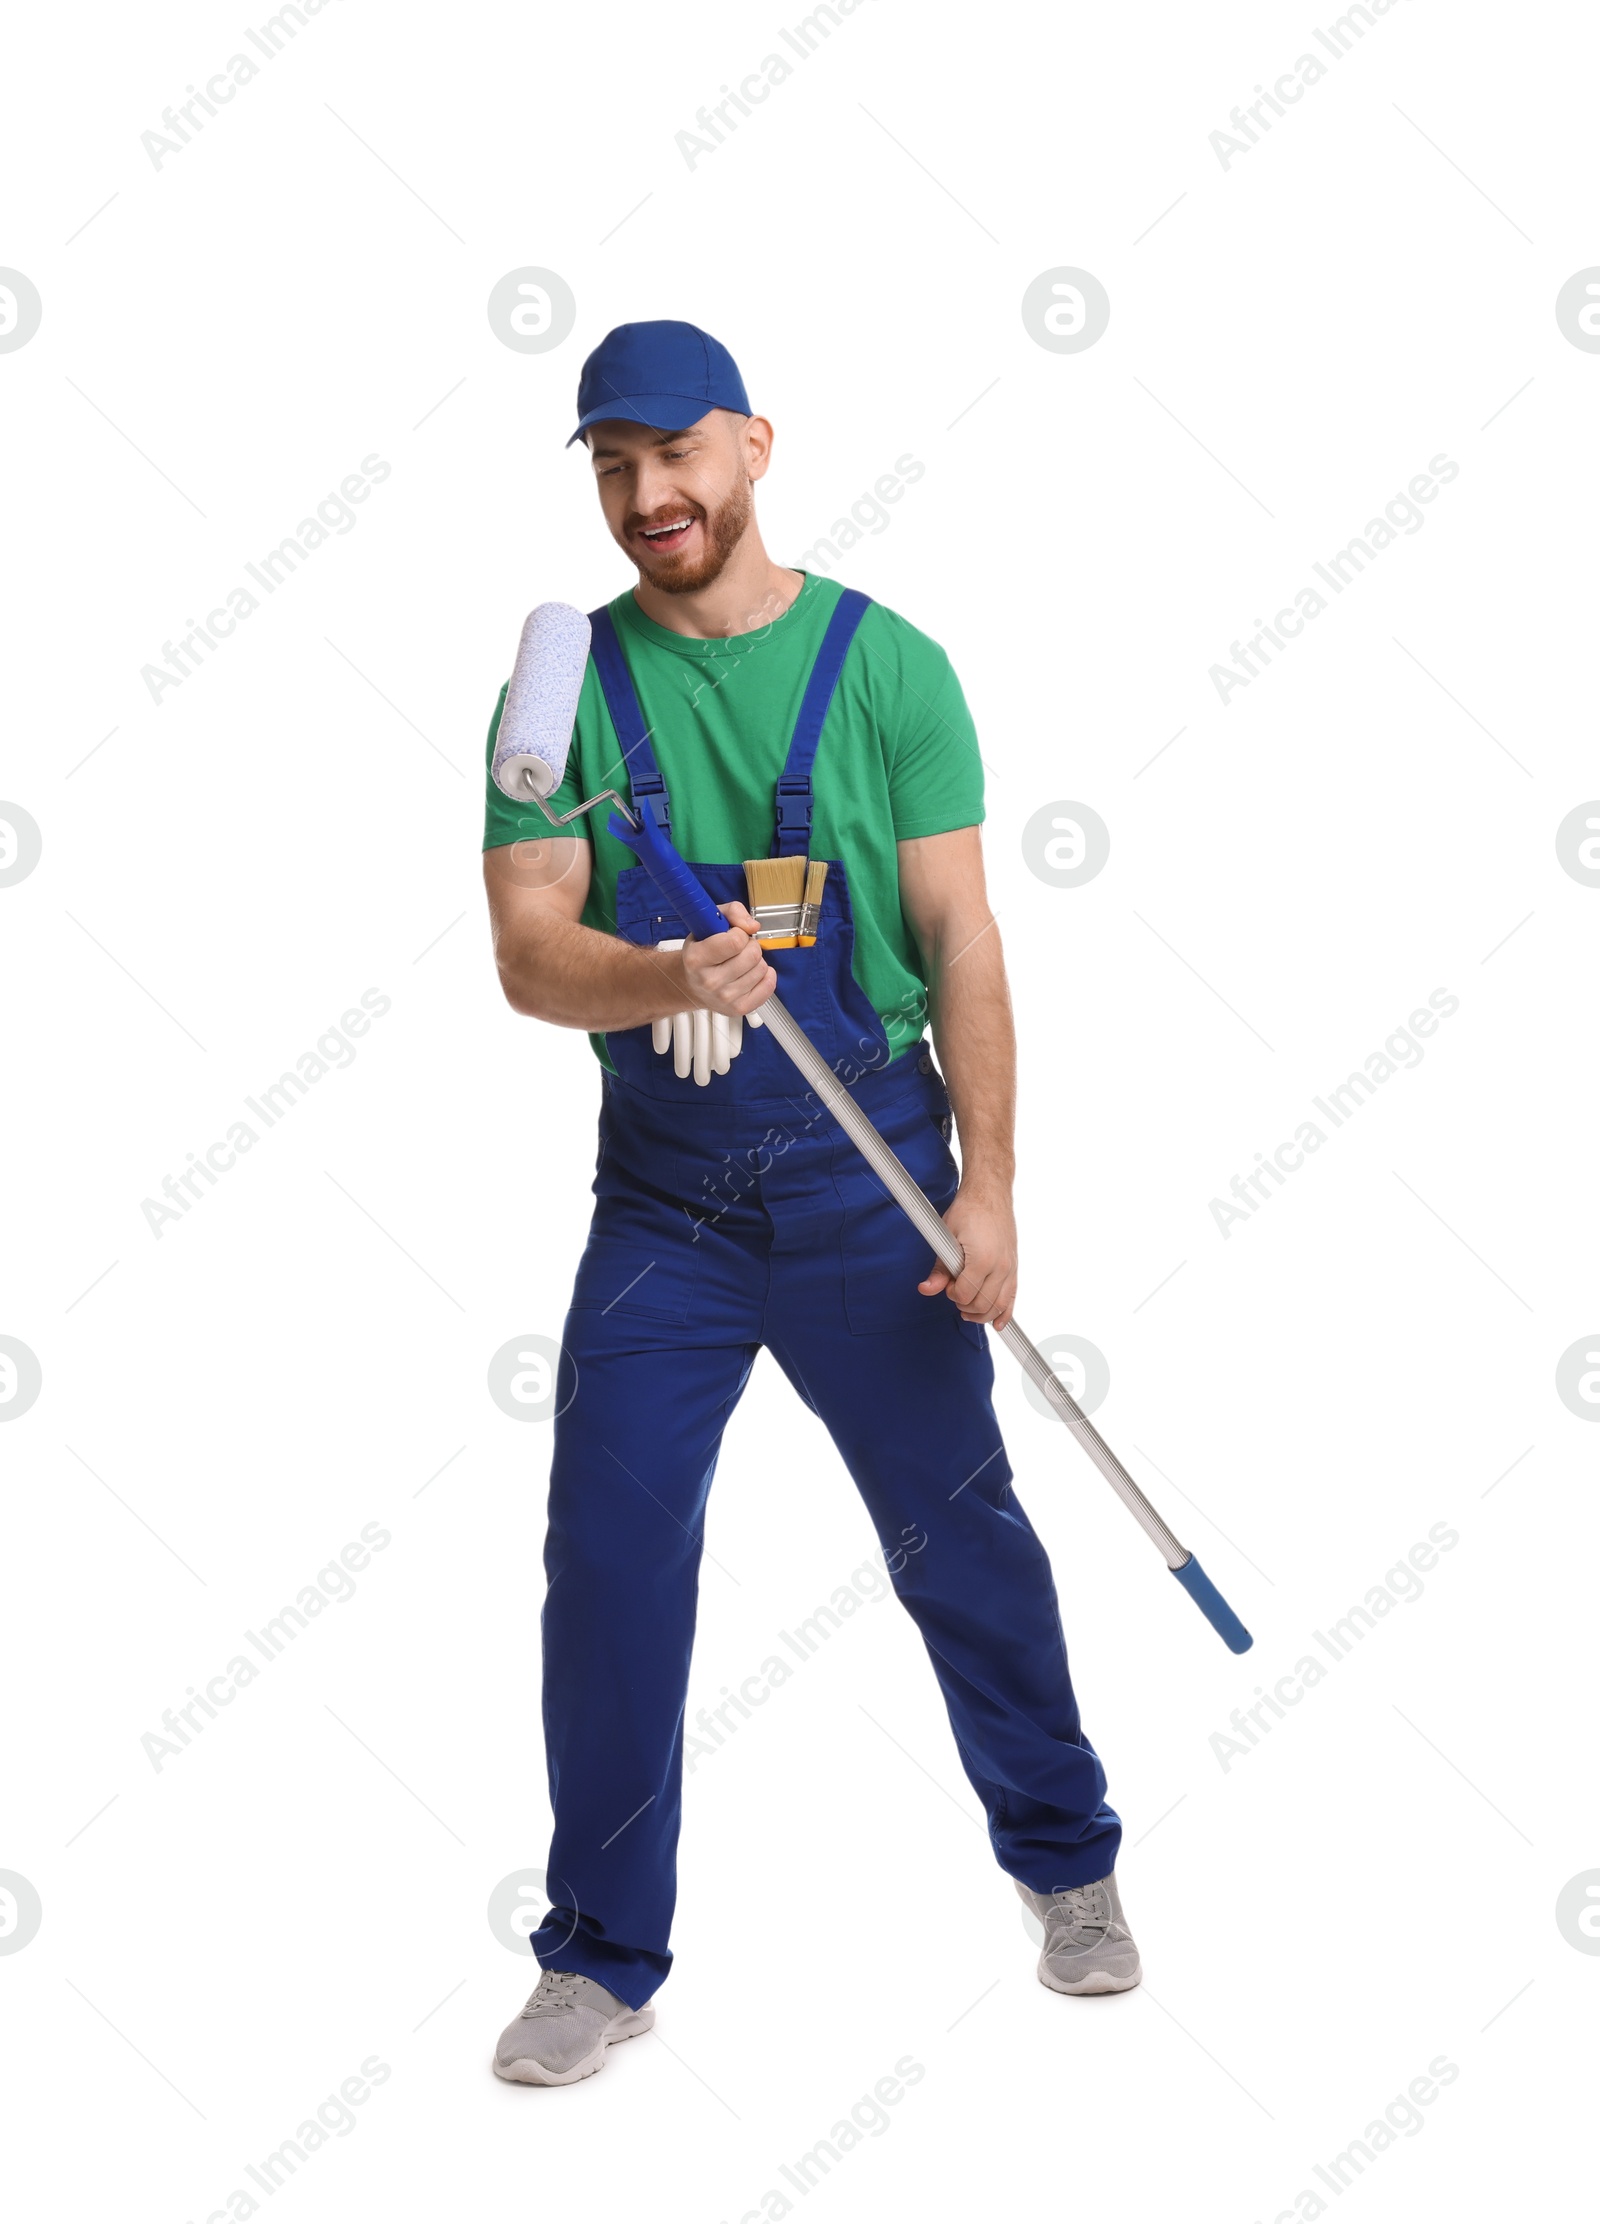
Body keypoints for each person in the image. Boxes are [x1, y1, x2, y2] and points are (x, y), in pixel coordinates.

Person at [482, 320, 1139, 2088]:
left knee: (966, 1544)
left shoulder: (891, 669)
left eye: (675, 455)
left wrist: (989, 1191)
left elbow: (961, 942)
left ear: (755, 446)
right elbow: (532, 953)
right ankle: (600, 1956)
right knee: (609, 1562)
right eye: (611, 467)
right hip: (668, 1214)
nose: (647, 497)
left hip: (876, 1203)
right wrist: (656, 976)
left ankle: (1068, 1867)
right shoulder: (561, 695)